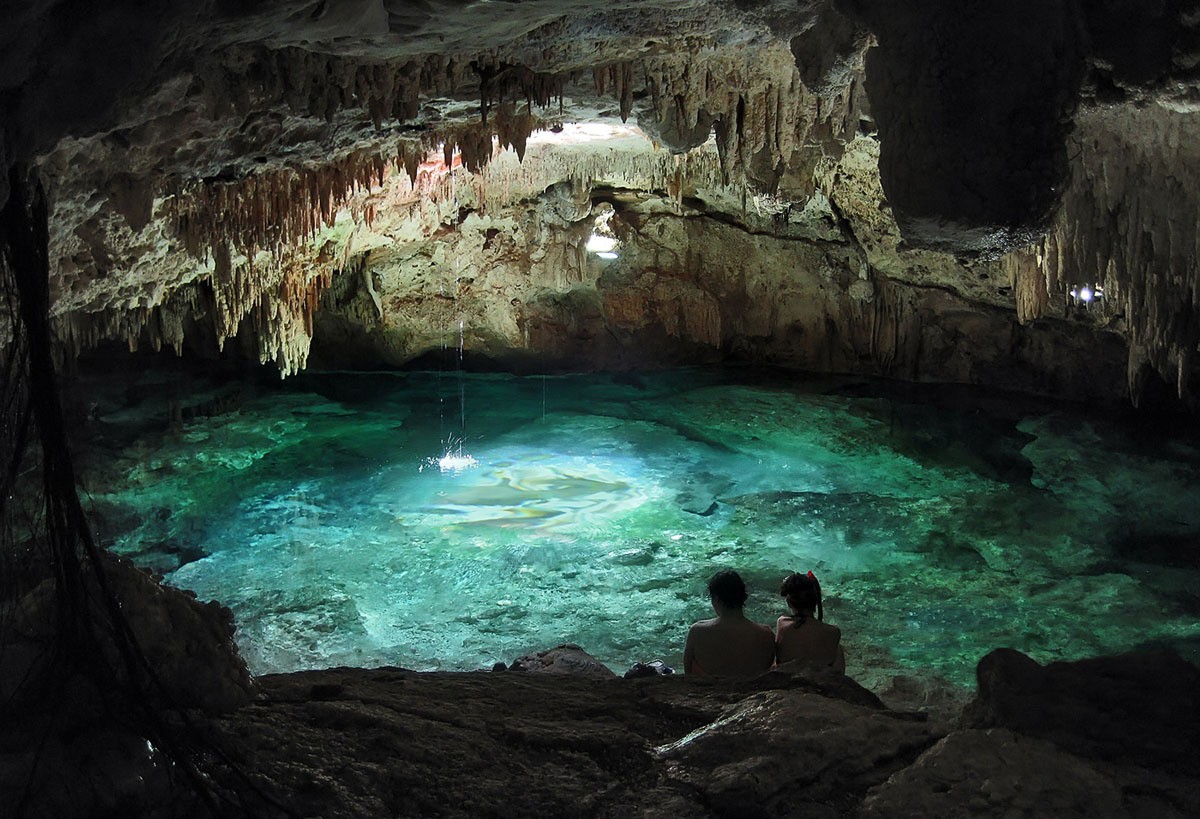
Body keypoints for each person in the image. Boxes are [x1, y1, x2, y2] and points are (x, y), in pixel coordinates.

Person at [683, 569, 775, 676]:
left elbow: (688, 674)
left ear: (716, 600)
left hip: (712, 691)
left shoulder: (697, 631)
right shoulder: (766, 634)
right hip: (752, 691)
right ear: (743, 597)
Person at [775, 570, 845, 673]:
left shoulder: (782, 623)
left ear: (789, 603)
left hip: (790, 681)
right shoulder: (833, 632)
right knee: (838, 648)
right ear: (816, 601)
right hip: (821, 684)